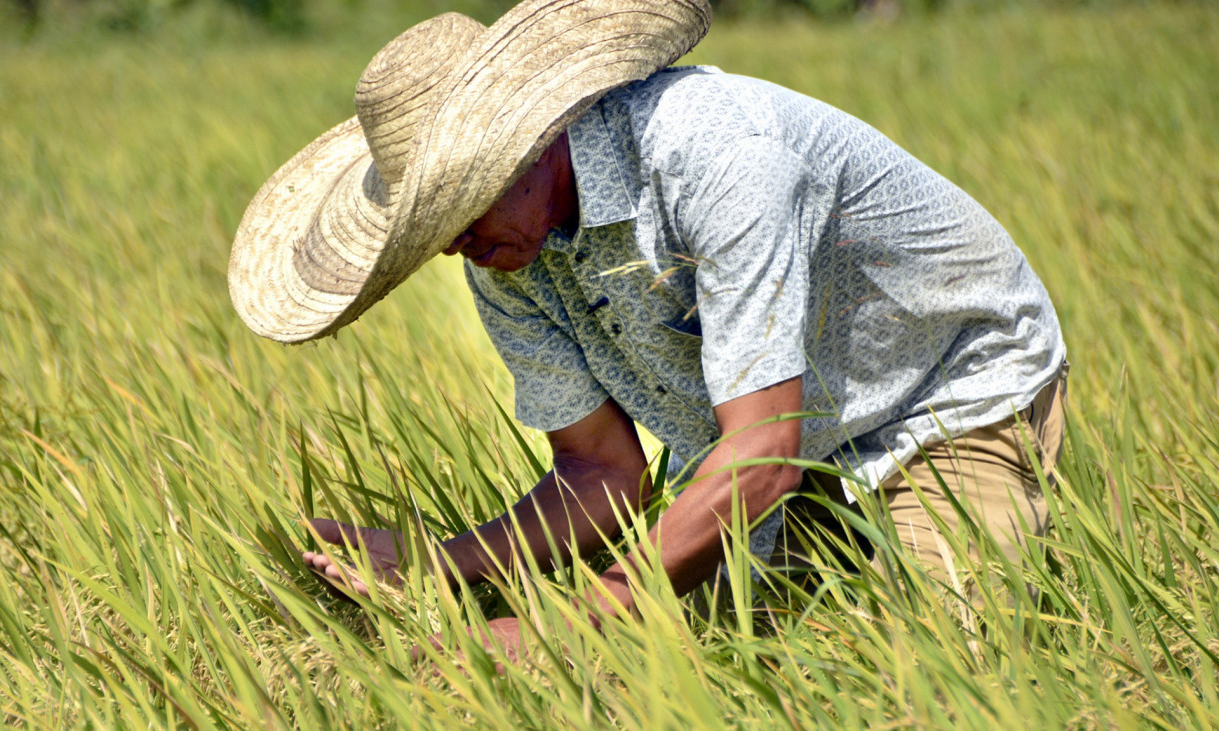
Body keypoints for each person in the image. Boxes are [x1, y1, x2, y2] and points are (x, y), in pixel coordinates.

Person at [229, 0, 1067, 657]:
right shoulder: (504, 251)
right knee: (724, 666)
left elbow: (763, 456)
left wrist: (567, 623)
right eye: (431, 227)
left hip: (944, 397)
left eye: (458, 206)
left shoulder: (714, 157)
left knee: (930, 671)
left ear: (530, 143)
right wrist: (436, 566)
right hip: (775, 448)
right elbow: (602, 470)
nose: (451, 245)